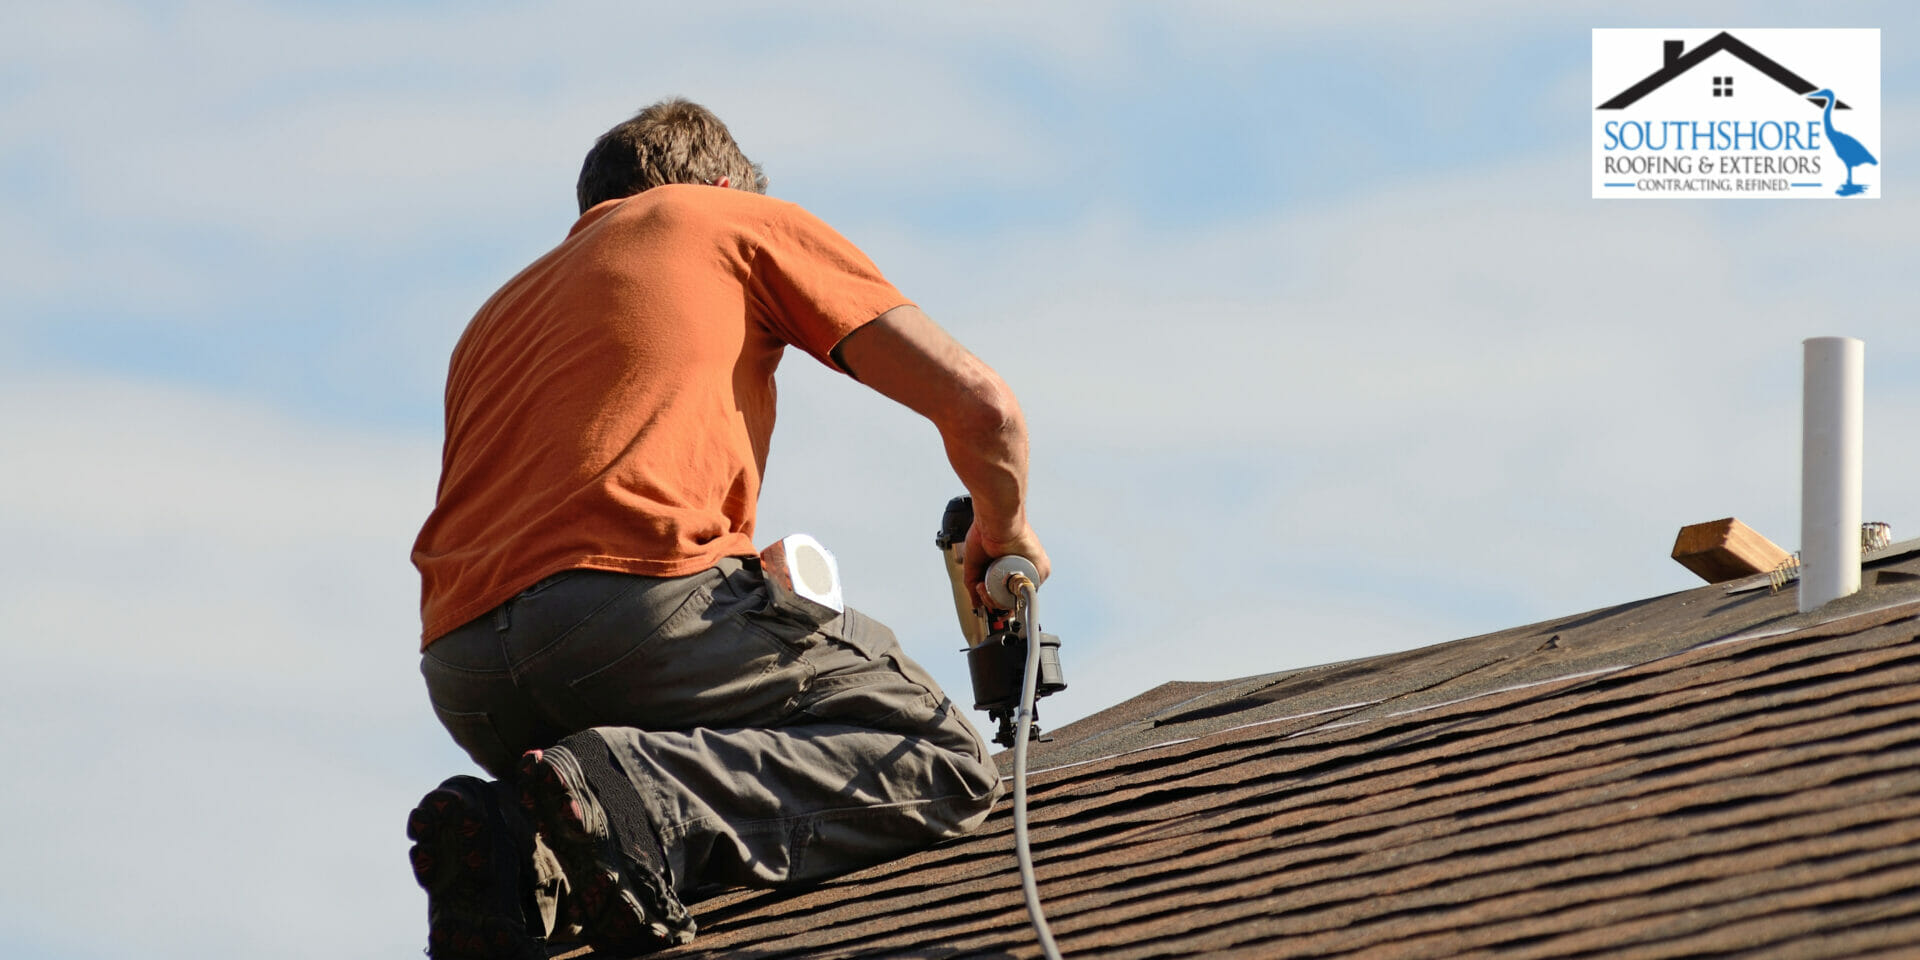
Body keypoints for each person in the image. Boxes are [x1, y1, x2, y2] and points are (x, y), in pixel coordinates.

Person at [403, 98, 1049, 959]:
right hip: (634, 610)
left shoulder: (494, 316)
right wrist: (1003, 529)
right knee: (940, 754)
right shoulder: (724, 220)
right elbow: (984, 411)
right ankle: (630, 785)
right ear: (718, 183)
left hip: (468, 674)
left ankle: (509, 856)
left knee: (658, 795)